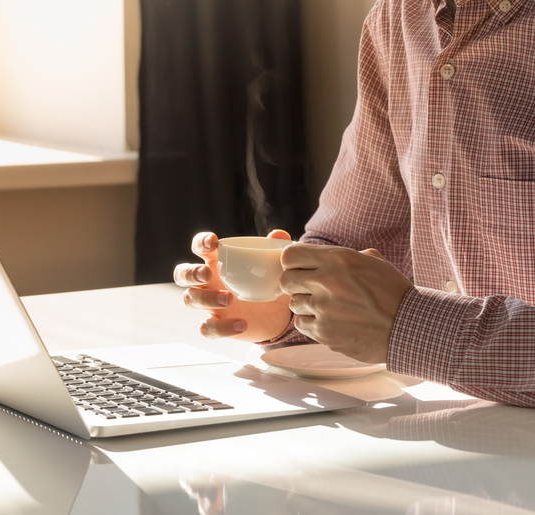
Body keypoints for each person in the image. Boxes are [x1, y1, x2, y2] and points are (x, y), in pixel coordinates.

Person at [174, 0, 535, 408]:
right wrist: (288, 306)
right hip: (454, 421)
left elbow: (401, 320)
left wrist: (412, 325)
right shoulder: (397, 17)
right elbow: (349, 240)